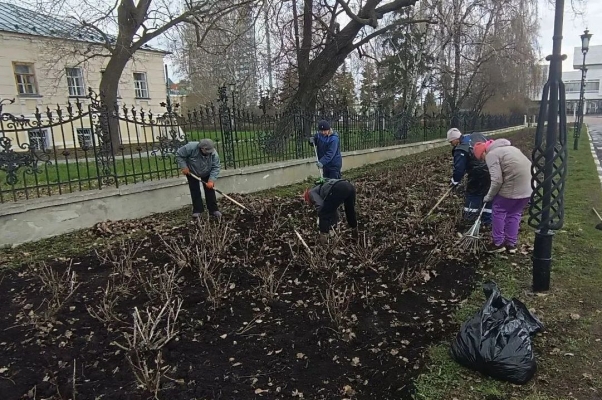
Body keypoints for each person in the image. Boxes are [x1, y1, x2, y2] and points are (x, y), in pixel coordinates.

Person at [473, 139, 533, 254]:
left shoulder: (491, 154)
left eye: (481, 158)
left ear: (483, 152)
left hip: (514, 186)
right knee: (514, 213)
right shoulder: (511, 149)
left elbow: (497, 180)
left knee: (498, 210)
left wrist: (489, 196)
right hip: (529, 187)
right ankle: (511, 244)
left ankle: (498, 243)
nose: (483, 160)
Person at [447, 128, 492, 227]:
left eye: (451, 141)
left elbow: (459, 170)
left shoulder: (461, 149)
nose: (451, 144)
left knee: (473, 195)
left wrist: (454, 181)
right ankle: (487, 221)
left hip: (476, 175)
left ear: (455, 139)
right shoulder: (477, 136)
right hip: (491, 171)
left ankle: (469, 220)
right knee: (488, 195)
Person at [176, 139, 222, 218]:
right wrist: (184, 167)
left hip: (207, 172)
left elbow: (216, 167)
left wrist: (211, 180)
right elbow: (179, 155)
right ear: (202, 148)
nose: (209, 153)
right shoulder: (190, 147)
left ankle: (213, 210)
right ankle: (198, 210)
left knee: (210, 190)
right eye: (207, 151)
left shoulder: (214, 154)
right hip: (192, 172)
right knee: (195, 190)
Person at [303, 179, 358, 243]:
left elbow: (320, 206)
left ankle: (323, 238)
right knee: (350, 211)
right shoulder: (320, 189)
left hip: (337, 188)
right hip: (350, 186)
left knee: (323, 212)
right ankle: (355, 232)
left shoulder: (311, 193)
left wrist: (320, 219)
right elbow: (332, 209)